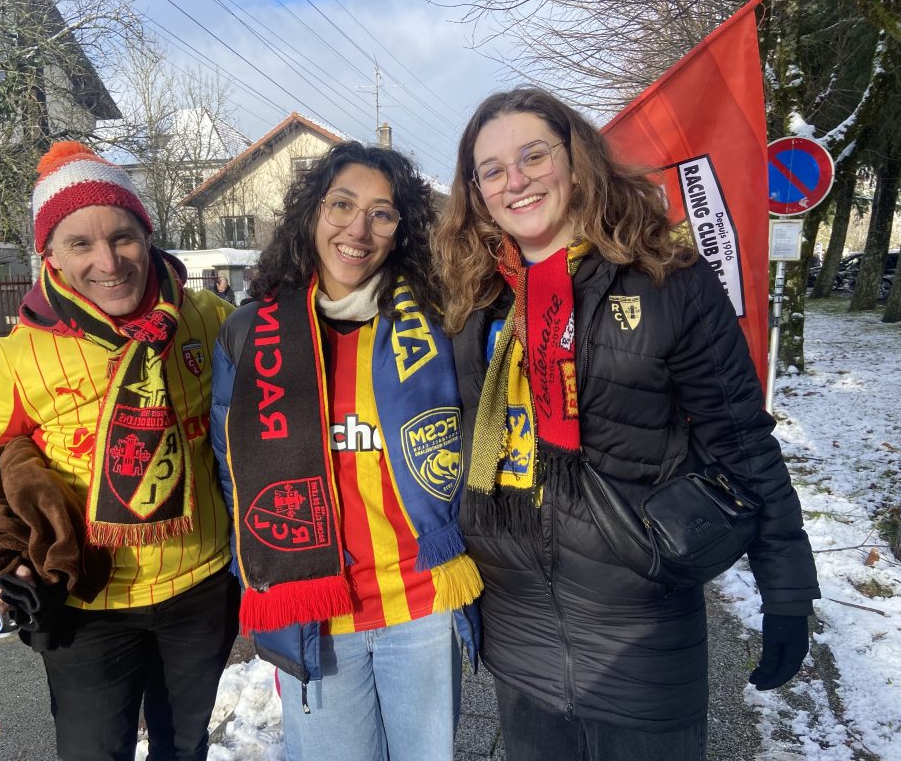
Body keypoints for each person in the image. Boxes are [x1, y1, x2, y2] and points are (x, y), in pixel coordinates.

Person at [432, 87, 820, 761]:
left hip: (638, 628)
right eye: (490, 170)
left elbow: (741, 439)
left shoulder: (667, 278)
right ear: (475, 190)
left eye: (533, 156)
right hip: (517, 632)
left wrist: (785, 586)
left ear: (577, 162)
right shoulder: (471, 298)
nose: (514, 180)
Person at [0, 141, 240, 761]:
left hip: (201, 589)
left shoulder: (207, 318)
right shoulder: (19, 355)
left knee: (183, 748)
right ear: (49, 254)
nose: (108, 262)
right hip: (89, 607)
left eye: (124, 236)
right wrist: (6, 559)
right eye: (80, 244)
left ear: (148, 234)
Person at [210, 141, 482, 761]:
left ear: (400, 230)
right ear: (312, 213)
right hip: (315, 610)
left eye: (382, 213)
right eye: (342, 205)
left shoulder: (438, 322)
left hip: (421, 602)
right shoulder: (251, 333)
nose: (358, 229)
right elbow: (234, 472)